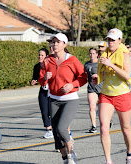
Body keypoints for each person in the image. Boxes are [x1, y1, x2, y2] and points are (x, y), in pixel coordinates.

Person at [39, 33, 87, 164]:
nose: (54, 44)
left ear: (64, 45)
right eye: (53, 42)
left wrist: (72, 84)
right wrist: (45, 78)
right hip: (53, 99)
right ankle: (65, 157)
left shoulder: (72, 60)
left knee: (61, 128)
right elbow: (41, 80)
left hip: (70, 99)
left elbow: (83, 77)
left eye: (57, 42)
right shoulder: (48, 60)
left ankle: (71, 153)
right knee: (55, 133)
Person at [93, 28, 131, 164]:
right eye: (108, 39)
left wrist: (111, 65)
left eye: (113, 39)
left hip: (122, 94)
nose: (110, 42)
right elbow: (105, 73)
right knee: (104, 127)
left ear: (120, 41)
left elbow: (127, 75)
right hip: (106, 95)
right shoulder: (104, 55)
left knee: (126, 129)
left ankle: (129, 154)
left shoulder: (125, 55)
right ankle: (108, 161)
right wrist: (97, 78)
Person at [30, 48, 53, 139]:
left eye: (42, 55)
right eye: (39, 55)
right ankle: (49, 130)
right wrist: (33, 81)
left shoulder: (50, 65)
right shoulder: (37, 66)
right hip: (43, 90)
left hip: (51, 90)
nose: (40, 57)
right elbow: (34, 77)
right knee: (44, 110)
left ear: (46, 56)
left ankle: (55, 127)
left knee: (52, 111)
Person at [84, 48, 103, 133]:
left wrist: (99, 76)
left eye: (93, 53)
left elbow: (106, 75)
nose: (91, 55)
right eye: (90, 53)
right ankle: (94, 126)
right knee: (92, 106)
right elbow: (84, 76)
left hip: (102, 88)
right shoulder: (86, 65)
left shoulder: (101, 63)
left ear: (96, 54)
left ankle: (107, 121)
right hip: (91, 88)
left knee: (102, 109)